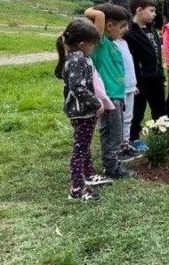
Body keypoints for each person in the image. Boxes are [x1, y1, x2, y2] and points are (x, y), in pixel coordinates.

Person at [55, 19, 111, 201]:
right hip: (82, 112)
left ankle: (88, 174)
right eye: (93, 44)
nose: (94, 48)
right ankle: (77, 188)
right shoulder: (77, 60)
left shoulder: (79, 57)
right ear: (82, 44)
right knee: (80, 148)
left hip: (85, 112)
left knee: (84, 145)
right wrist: (97, 103)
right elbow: (78, 88)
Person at [84, 4, 137, 179]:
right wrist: (94, 11)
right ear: (109, 26)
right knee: (112, 135)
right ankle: (112, 168)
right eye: (122, 26)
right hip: (109, 98)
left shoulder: (113, 44)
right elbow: (98, 15)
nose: (126, 29)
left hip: (117, 96)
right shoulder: (100, 42)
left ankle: (112, 164)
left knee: (116, 132)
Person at [124, 0, 166, 150]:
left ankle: (161, 134)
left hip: (156, 77)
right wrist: (134, 81)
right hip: (141, 81)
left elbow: (157, 55)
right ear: (139, 10)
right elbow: (132, 62)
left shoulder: (151, 29)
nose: (154, 14)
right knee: (138, 110)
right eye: (152, 10)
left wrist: (161, 74)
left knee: (160, 108)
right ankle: (134, 137)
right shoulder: (129, 34)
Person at [113, 33, 143, 162]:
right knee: (120, 120)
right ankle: (118, 149)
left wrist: (133, 84)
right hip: (120, 88)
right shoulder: (110, 44)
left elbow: (129, 66)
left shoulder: (124, 43)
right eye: (122, 26)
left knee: (128, 118)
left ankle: (125, 145)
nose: (125, 30)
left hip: (130, 86)